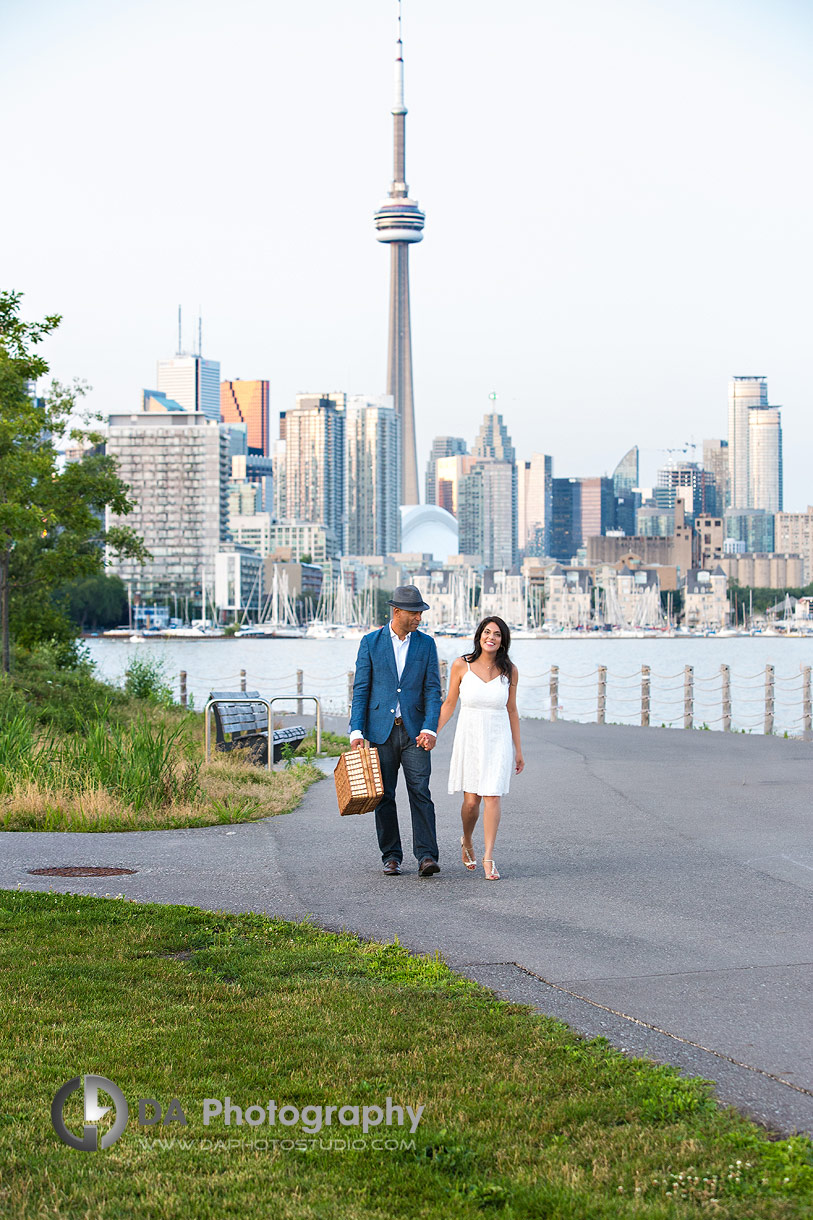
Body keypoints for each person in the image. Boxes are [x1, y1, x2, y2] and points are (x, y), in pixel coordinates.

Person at [349, 585, 442, 877]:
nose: (418, 618)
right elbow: (361, 689)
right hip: (380, 732)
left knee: (421, 792)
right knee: (384, 795)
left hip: (415, 733)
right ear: (397, 612)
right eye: (414, 613)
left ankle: (426, 856)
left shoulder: (426, 645)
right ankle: (391, 856)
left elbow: (433, 690)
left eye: (420, 613)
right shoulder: (370, 643)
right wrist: (356, 731)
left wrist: (430, 728)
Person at [436, 616, 524, 880]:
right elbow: (450, 703)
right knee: (471, 801)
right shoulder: (461, 665)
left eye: (497, 634)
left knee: (493, 796)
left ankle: (489, 858)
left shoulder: (510, 670)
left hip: (498, 737)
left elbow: (512, 709)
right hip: (470, 736)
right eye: (487, 632)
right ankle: (467, 840)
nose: (492, 637)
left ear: (503, 641)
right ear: (479, 636)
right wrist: (433, 733)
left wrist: (518, 750)